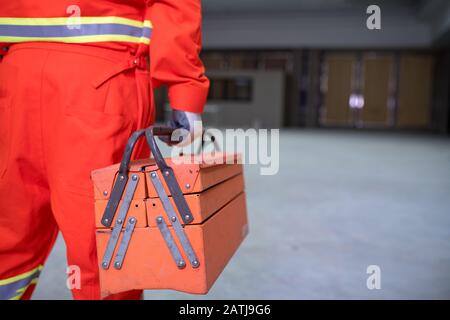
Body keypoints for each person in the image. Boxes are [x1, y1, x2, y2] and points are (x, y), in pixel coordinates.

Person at [0, 0, 209, 300]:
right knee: (106, 245)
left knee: (9, 236)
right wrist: (185, 91)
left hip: (14, 75)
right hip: (101, 77)